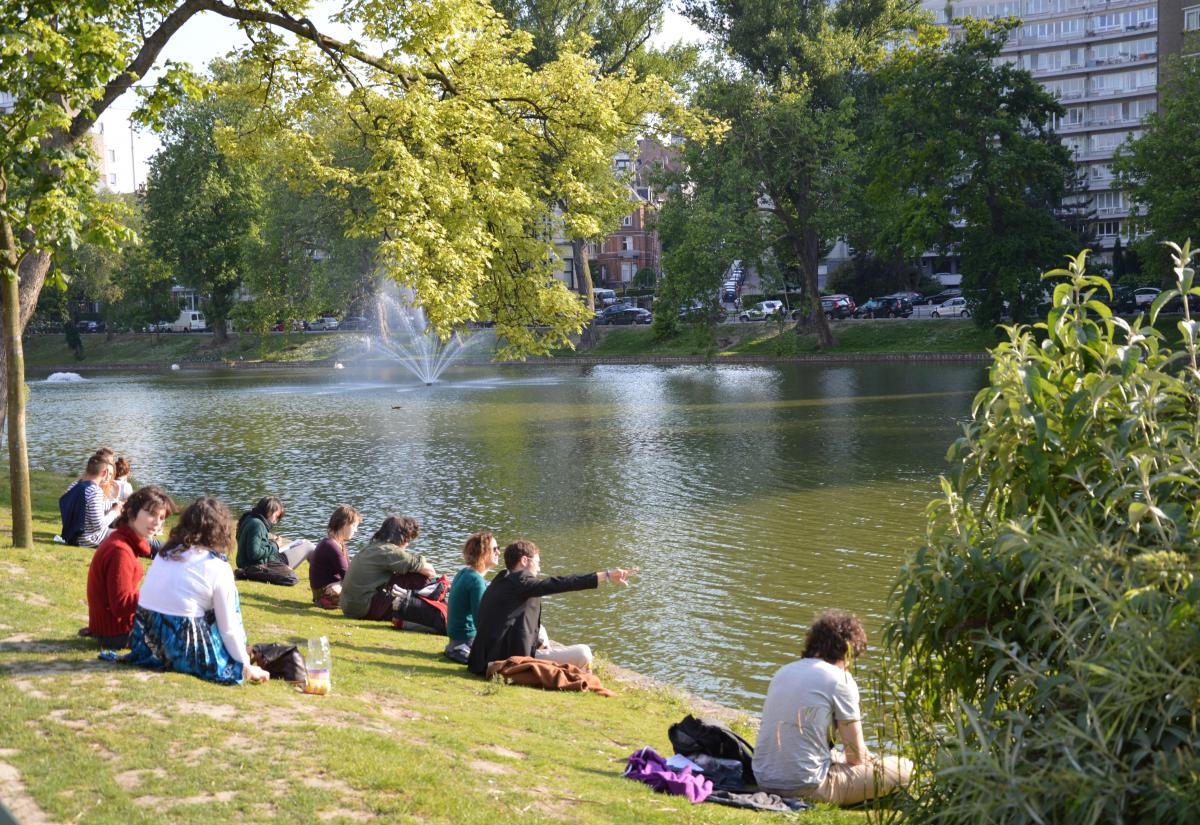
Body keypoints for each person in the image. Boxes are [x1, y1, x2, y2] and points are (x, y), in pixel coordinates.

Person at [752, 610, 913, 806]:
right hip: (807, 787)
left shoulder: (783, 671)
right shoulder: (840, 680)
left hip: (763, 777)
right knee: (905, 768)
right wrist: (870, 760)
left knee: (840, 756)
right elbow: (855, 756)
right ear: (849, 651)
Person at [106, 497, 270, 684]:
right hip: (183, 646)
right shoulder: (217, 566)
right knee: (229, 603)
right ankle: (242, 656)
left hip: (146, 640)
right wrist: (246, 666)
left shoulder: (165, 553)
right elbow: (229, 628)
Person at [466, 539, 631, 676]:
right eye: (537, 562)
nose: (539, 567)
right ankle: (578, 675)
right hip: (506, 661)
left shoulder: (502, 578)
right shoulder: (523, 583)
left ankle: (551, 661)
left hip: (482, 658)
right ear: (524, 561)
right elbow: (562, 583)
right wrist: (606, 575)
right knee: (584, 653)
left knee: (542, 631)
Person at [84, 486, 178, 648]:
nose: (157, 523)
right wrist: (159, 591)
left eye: (162, 518)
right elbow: (121, 606)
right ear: (132, 513)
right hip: (116, 633)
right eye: (151, 514)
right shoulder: (120, 551)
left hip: (111, 628)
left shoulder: (124, 542)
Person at [339, 516, 445, 630]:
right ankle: (431, 612)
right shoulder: (388, 551)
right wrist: (419, 560)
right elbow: (430, 571)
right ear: (402, 537)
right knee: (420, 578)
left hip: (350, 607)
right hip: (364, 609)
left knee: (405, 575)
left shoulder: (372, 547)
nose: (408, 544)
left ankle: (421, 609)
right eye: (408, 539)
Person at [444, 531, 500, 664]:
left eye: (498, 548)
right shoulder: (476, 581)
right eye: (494, 549)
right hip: (466, 640)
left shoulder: (464, 572)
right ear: (483, 553)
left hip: (455, 639)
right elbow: (481, 620)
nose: (498, 552)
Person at [234, 496, 314, 586]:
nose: (275, 521)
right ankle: (321, 582)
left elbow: (250, 545)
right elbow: (254, 554)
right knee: (292, 577)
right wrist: (275, 545)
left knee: (307, 545)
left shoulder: (249, 518)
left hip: (264, 561)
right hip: (259, 566)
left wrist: (270, 543)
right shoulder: (257, 525)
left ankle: (319, 578)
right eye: (276, 516)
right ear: (269, 511)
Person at [59, 453, 121, 547]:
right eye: (108, 473)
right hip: (90, 540)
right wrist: (114, 512)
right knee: (130, 535)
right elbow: (98, 526)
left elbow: (89, 506)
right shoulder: (95, 491)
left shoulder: (74, 485)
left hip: (72, 538)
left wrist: (114, 503)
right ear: (104, 473)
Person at [309, 505, 362, 609]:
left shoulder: (338, 543)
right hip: (327, 595)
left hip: (327, 592)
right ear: (345, 524)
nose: (356, 530)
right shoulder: (331, 546)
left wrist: (340, 583)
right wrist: (342, 585)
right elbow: (349, 576)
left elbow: (349, 571)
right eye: (354, 526)